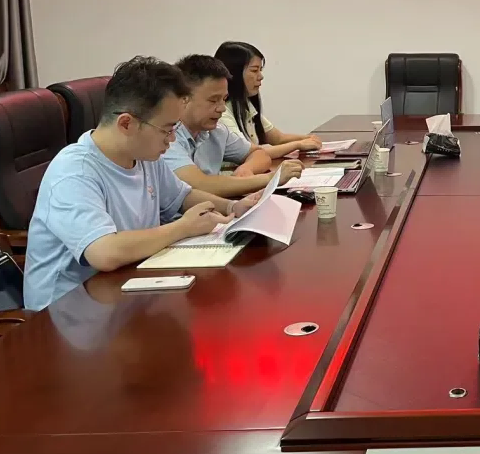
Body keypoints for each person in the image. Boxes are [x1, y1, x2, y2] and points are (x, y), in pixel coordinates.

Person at [24, 57, 265, 311]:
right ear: (126, 123)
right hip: (69, 314)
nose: (172, 139)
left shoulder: (143, 155)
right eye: (167, 129)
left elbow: (182, 196)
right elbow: (104, 253)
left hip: (128, 291)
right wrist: (183, 228)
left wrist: (232, 207)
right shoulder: (74, 172)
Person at [163, 55, 303, 197]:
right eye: (213, 100)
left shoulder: (217, 130)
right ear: (184, 99)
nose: (222, 108)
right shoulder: (166, 136)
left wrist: (247, 169)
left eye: (224, 99)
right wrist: (271, 178)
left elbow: (259, 154)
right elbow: (200, 185)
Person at [214, 41, 323, 160]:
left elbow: (278, 138)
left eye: (260, 70)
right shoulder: (222, 113)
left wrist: (308, 139)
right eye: (254, 70)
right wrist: (298, 144)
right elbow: (251, 153)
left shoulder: (245, 105)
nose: (261, 76)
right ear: (234, 73)